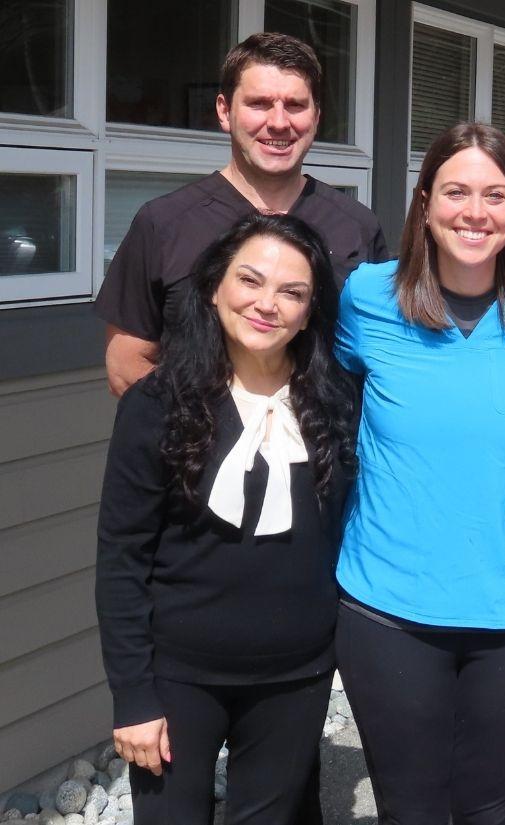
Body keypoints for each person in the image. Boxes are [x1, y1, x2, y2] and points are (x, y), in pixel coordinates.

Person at [332, 122, 505, 825]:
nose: (475, 211)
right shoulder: (368, 297)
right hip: (390, 609)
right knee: (410, 809)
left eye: (495, 194)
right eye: (456, 191)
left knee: (496, 811)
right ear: (423, 202)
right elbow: (332, 405)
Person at [95, 213, 357, 825]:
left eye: (292, 292)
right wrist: (133, 696)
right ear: (215, 287)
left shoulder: (337, 400)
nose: (268, 304)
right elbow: (121, 556)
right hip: (178, 675)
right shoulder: (155, 404)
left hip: (296, 675)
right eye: (250, 281)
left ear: (311, 308)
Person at [96, 32, 388, 398]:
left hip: (324, 448)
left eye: (295, 105)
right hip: (200, 449)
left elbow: (379, 355)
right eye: (260, 104)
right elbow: (126, 366)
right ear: (224, 110)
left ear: (316, 116)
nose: (279, 122)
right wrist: (199, 433)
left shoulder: (356, 227)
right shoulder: (164, 224)